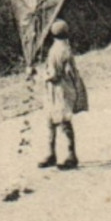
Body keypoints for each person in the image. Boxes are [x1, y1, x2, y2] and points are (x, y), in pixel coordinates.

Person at [37, 20, 87, 171]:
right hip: (63, 89)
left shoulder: (57, 50)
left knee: (61, 121)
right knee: (53, 120)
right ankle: (54, 154)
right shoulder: (65, 47)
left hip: (59, 90)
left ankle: (70, 156)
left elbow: (54, 75)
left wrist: (38, 74)